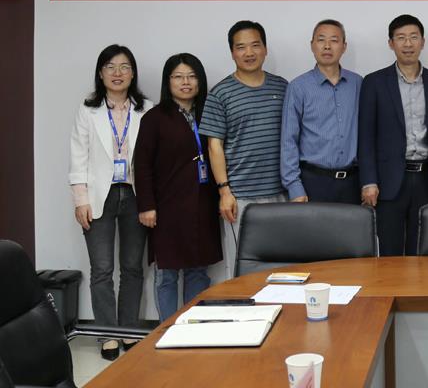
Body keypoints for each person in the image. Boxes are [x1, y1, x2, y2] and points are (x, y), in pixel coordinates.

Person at [68, 44, 147, 360]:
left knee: (133, 268)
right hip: (99, 195)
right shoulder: (88, 110)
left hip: (136, 194)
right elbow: (78, 156)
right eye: (110, 67)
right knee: (101, 269)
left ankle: (129, 330)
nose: (117, 73)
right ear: (100, 73)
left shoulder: (146, 109)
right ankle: (107, 334)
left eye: (124, 66)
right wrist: (80, 199)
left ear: (133, 73)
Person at [134, 53, 222, 321]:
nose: (186, 82)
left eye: (192, 76)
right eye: (178, 77)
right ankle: (168, 329)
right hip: (166, 208)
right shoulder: (154, 118)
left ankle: (193, 326)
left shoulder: (209, 113)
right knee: (166, 274)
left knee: (198, 270)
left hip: (202, 204)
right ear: (168, 81)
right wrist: (146, 205)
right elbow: (142, 165)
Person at [358, 14, 428, 255]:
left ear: (423, 42)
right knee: (388, 253)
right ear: (391, 43)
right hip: (387, 182)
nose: (408, 44)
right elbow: (366, 136)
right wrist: (369, 181)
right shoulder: (374, 82)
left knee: (422, 252)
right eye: (401, 38)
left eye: (413, 37)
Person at [199, 21, 288, 278]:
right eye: (241, 47)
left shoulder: (283, 87)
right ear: (232, 52)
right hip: (241, 197)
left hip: (281, 194)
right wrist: (224, 191)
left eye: (255, 45)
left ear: (265, 49)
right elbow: (214, 145)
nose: (249, 53)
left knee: (284, 269)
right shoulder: (220, 93)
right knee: (243, 271)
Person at [281, 19, 362, 204]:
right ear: (312, 45)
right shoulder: (298, 87)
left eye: (334, 40)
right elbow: (288, 140)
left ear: (344, 46)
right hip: (313, 182)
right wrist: (294, 187)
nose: (327, 46)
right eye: (321, 40)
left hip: (353, 182)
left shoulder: (358, 83)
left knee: (355, 225)